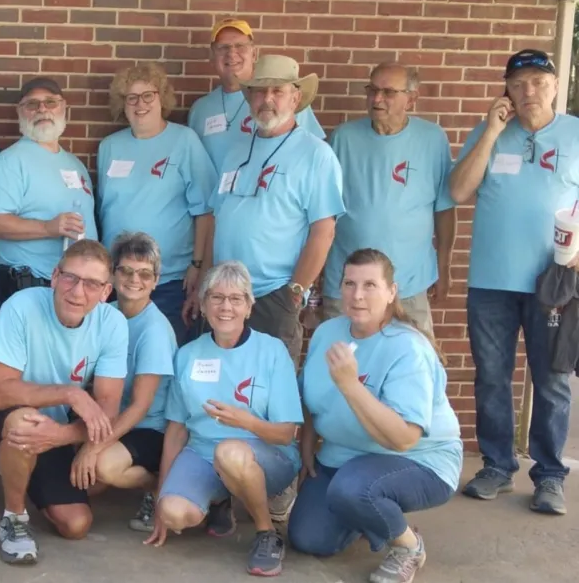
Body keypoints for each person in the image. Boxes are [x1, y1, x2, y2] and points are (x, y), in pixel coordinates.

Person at [448, 48, 573, 515]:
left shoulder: (577, 135)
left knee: (552, 381)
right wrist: (493, 131)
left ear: (555, 85)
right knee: (493, 379)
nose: (528, 92)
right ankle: (497, 466)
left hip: (554, 284)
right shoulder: (490, 132)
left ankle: (549, 475)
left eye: (538, 82)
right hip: (491, 283)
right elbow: (458, 191)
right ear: (507, 91)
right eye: (517, 84)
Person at [290, 249, 462, 583]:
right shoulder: (328, 332)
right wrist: (307, 444)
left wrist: (350, 386)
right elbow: (309, 394)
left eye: (370, 284)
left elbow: (404, 438)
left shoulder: (408, 348)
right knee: (309, 538)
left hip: (419, 460)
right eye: (350, 283)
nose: (357, 295)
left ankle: (409, 546)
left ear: (391, 292)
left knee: (353, 490)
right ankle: (370, 515)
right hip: (344, 457)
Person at [0, 240, 128, 566]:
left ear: (106, 291)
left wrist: (63, 437)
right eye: (70, 278)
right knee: (24, 423)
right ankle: (14, 518)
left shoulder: (112, 323)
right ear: (54, 276)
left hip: (50, 424)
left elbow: (108, 407)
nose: (78, 292)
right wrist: (71, 394)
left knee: (76, 524)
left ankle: (11, 464)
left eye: (92, 284)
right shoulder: (21, 306)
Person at [146, 261, 303, 578]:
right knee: (174, 513)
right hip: (203, 453)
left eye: (235, 298)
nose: (225, 307)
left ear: (249, 305)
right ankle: (219, 500)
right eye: (216, 298)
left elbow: (287, 434)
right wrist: (161, 494)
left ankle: (266, 534)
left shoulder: (272, 351)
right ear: (203, 305)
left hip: (266, 455)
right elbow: (176, 428)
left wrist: (246, 422)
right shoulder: (188, 355)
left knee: (230, 452)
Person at [202, 55, 344, 363]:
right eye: (259, 91)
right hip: (224, 296)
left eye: (277, 91)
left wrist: (295, 292)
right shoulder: (235, 151)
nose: (267, 100)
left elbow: (324, 231)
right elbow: (217, 218)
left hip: (273, 296)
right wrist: (205, 281)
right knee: (221, 385)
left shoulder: (316, 155)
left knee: (269, 395)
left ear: (295, 98)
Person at [323, 63, 456, 339]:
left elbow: (443, 209)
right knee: (337, 365)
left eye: (388, 92)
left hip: (408, 281)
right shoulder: (342, 138)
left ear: (412, 98)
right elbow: (322, 212)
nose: (377, 99)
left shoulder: (433, 139)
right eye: (372, 90)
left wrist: (444, 267)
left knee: (416, 365)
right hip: (348, 283)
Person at [98, 63, 216, 335]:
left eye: (148, 95)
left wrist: (198, 265)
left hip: (168, 279)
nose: (140, 104)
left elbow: (206, 212)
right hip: (119, 277)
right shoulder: (109, 147)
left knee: (164, 354)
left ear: (162, 98)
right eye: (131, 97)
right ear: (122, 104)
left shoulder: (184, 141)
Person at [0, 77, 98, 314]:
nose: (42, 109)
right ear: (20, 112)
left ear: (64, 107)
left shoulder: (75, 164)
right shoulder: (10, 162)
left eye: (50, 102)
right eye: (32, 104)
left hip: (75, 290)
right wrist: (48, 228)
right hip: (29, 287)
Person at [87, 233, 176, 533]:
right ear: (112, 274)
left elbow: (141, 406)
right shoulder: (105, 314)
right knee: (81, 485)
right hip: (110, 416)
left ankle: (156, 485)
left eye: (144, 274)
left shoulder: (155, 331)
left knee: (101, 467)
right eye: (125, 270)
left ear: (155, 280)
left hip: (148, 427)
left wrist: (94, 447)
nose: (133, 279)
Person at [188, 19, 326, 171]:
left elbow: (313, 158)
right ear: (212, 57)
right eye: (223, 47)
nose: (232, 53)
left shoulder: (284, 101)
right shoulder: (200, 110)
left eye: (240, 46)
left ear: (254, 54)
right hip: (217, 195)